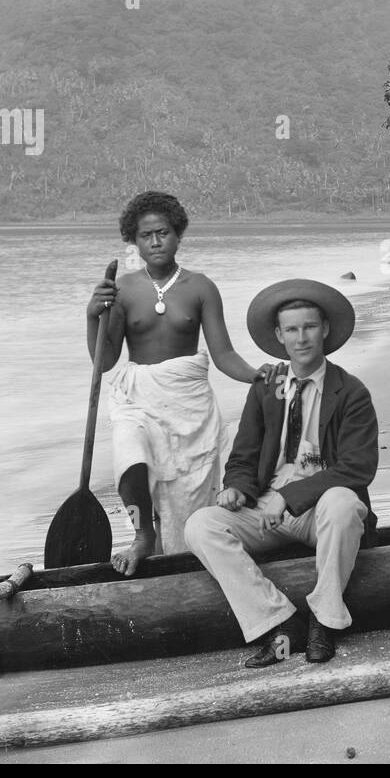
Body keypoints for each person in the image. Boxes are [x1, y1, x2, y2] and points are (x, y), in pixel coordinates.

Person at [183, 278, 379, 666]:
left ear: (324, 329)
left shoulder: (351, 391)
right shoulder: (265, 387)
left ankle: (325, 619)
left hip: (319, 513)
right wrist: (236, 487)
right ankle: (279, 621)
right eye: (292, 329)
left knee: (343, 503)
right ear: (279, 335)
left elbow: (358, 467)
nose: (301, 338)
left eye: (309, 327)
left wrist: (290, 498)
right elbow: (242, 455)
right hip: (265, 512)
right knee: (200, 525)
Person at [86, 192, 275, 576]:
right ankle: (142, 534)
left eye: (163, 233)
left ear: (178, 235)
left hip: (188, 400)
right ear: (133, 241)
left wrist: (255, 374)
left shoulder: (200, 287)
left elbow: (223, 355)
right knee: (129, 456)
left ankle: (189, 554)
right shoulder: (121, 290)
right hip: (135, 397)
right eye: (145, 236)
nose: (155, 242)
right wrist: (93, 316)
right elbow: (104, 362)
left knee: (189, 496)